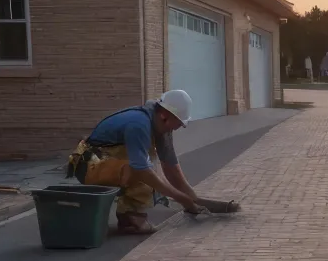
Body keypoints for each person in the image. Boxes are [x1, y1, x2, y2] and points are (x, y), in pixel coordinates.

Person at [66, 90, 240, 234]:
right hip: (89, 165)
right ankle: (130, 219)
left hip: (108, 162)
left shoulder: (160, 126)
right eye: (178, 123)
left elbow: (171, 166)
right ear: (165, 116)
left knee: (150, 165)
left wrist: (193, 198)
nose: (178, 128)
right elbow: (142, 170)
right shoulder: (139, 124)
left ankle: (129, 216)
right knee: (143, 170)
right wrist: (182, 199)